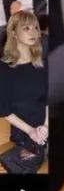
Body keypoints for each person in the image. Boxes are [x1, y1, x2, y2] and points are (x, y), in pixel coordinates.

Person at [0, 10, 48, 173]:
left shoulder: (43, 63)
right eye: (26, 28)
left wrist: (46, 126)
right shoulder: (4, 69)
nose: (33, 32)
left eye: (35, 27)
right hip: (24, 132)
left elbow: (50, 98)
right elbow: (4, 110)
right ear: (13, 33)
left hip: (47, 127)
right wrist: (31, 131)